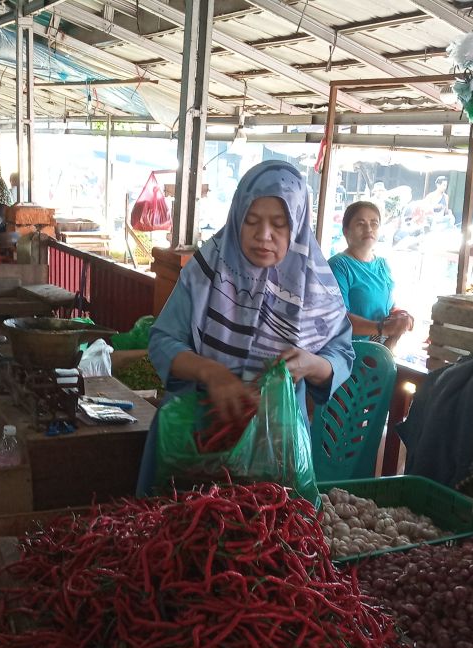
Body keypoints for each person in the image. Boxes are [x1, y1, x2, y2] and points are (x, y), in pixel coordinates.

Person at [136, 161, 354, 493]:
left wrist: (312, 364)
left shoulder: (316, 287)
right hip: (196, 437)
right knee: (183, 525)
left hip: (275, 441)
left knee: (273, 529)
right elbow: (163, 340)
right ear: (237, 216)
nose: (263, 235)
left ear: (296, 225)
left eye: (279, 224)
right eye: (251, 220)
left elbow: (341, 355)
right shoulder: (206, 272)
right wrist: (211, 372)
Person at [327, 201, 413, 349]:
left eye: (374, 223)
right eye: (360, 223)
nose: (369, 229)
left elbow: (388, 307)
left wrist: (402, 317)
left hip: (377, 351)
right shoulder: (339, 266)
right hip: (348, 353)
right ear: (346, 231)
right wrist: (382, 328)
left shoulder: (382, 265)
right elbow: (338, 318)